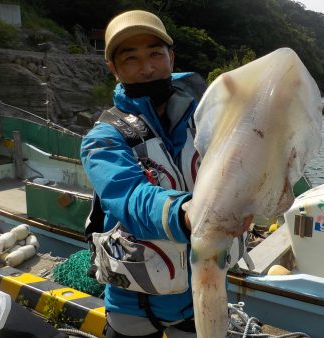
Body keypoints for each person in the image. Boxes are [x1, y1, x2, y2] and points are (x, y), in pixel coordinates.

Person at [80, 10, 201, 338]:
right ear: (113, 69)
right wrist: (187, 212)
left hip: (202, 294)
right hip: (133, 305)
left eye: (155, 54)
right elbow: (129, 195)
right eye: (131, 58)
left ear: (171, 58)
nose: (147, 68)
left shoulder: (204, 121)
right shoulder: (102, 138)